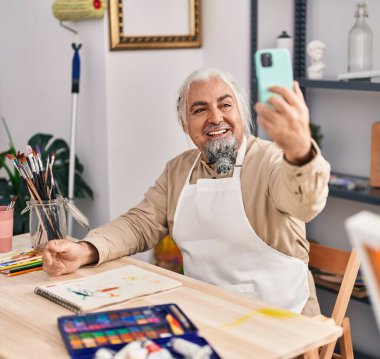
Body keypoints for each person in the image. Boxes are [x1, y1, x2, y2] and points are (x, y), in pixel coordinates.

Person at [43, 68, 330, 316]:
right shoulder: (178, 170)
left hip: (282, 318)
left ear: (240, 112)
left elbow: (306, 204)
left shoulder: (272, 160)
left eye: (225, 105)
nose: (215, 117)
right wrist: (86, 249)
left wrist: (300, 152)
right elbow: (139, 224)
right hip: (206, 313)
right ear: (185, 124)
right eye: (200, 109)